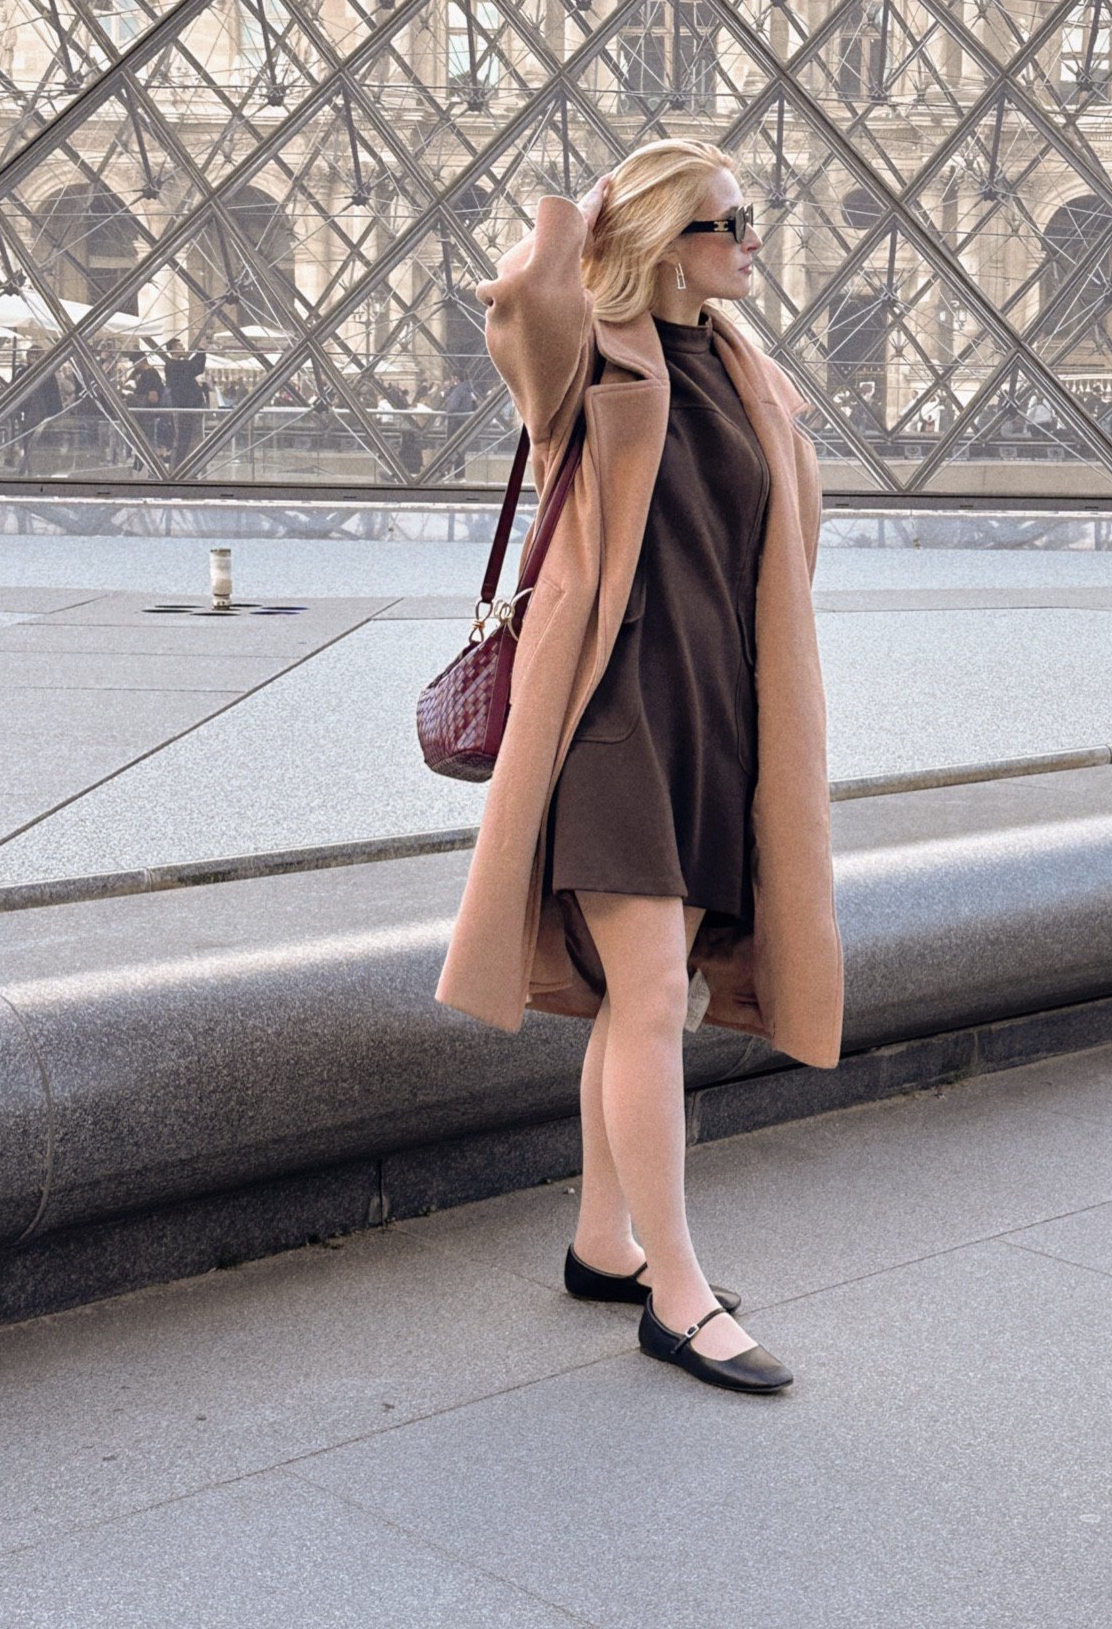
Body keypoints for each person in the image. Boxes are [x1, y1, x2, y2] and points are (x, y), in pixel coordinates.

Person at [435, 140, 842, 1394]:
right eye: (728, 221)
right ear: (669, 241)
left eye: (751, 217)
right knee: (658, 992)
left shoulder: (747, 370)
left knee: (639, 998)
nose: (753, 239)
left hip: (716, 716)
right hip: (612, 717)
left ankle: (602, 1240)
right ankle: (674, 1292)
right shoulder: (586, 365)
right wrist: (594, 211)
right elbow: (521, 296)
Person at [161, 337, 207, 466]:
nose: (183, 348)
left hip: (187, 404)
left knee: (186, 436)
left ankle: (183, 464)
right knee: (185, 437)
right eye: (180, 346)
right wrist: (201, 350)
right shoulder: (175, 365)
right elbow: (196, 367)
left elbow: (193, 367)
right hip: (185, 405)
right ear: (173, 349)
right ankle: (180, 465)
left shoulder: (175, 365)